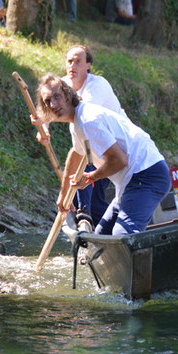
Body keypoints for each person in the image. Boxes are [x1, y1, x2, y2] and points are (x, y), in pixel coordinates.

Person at [34, 75, 171, 236]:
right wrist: (64, 194)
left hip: (147, 174)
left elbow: (119, 160)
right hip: (130, 181)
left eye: (57, 97)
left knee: (122, 235)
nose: (54, 104)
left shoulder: (88, 120)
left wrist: (91, 177)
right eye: (48, 101)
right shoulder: (77, 123)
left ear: (68, 94)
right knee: (101, 237)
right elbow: (76, 154)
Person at [61, 45, 128, 226]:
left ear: (88, 65)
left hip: (115, 145)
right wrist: (41, 127)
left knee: (91, 194)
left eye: (78, 62)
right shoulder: (63, 85)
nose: (72, 66)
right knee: (76, 199)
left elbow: (83, 116)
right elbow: (46, 107)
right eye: (69, 61)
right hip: (94, 144)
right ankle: (97, 229)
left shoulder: (97, 85)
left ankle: (95, 219)